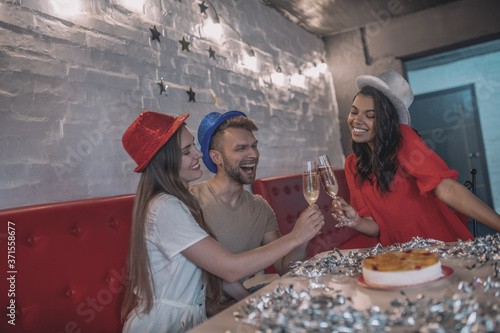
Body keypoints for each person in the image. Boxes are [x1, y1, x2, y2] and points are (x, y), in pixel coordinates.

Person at [120, 111, 324, 333]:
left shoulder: (178, 202)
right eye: (187, 151)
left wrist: (250, 302)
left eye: (254, 146)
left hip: (190, 319)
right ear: (166, 161)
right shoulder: (167, 207)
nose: (199, 153)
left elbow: (211, 270)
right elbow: (230, 269)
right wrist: (295, 237)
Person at [332, 69, 500, 246]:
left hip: (434, 239)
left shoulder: (403, 139)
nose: (357, 120)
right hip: (397, 249)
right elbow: (376, 227)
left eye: (370, 115)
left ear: (387, 120)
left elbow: (446, 188)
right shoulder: (352, 165)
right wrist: (355, 221)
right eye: (354, 112)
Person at [190, 111, 315, 312]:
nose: (254, 154)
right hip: (200, 310)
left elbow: (286, 267)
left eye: (254, 146)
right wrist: (248, 302)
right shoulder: (192, 200)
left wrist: (304, 235)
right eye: (241, 148)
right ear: (216, 157)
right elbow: (202, 272)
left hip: (241, 301)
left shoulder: (260, 207)